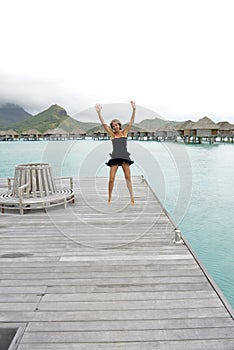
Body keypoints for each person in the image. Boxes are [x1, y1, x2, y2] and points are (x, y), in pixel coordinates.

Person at [95, 101, 136, 205]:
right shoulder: (112, 135)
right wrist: (99, 112)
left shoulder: (124, 133)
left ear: (119, 125)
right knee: (111, 179)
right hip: (115, 158)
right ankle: (109, 198)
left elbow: (131, 122)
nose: (115, 127)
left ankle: (132, 197)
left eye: (116, 125)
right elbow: (104, 125)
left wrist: (134, 109)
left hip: (125, 157)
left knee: (128, 178)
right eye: (113, 126)